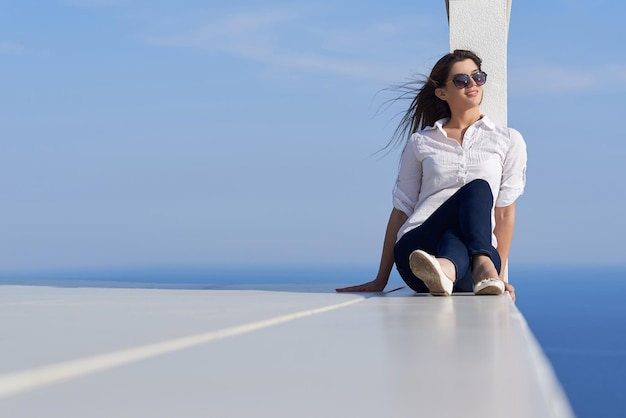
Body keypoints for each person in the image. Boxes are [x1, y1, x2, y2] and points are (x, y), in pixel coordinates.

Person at [336, 49, 527, 301]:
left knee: (475, 199)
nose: (472, 84)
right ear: (442, 92)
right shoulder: (421, 142)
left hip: (468, 266)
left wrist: (501, 277)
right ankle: (471, 266)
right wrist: (380, 279)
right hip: (418, 254)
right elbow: (402, 209)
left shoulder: (508, 140)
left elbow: (504, 212)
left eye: (477, 77)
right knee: (478, 188)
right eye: (461, 80)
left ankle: (450, 269)